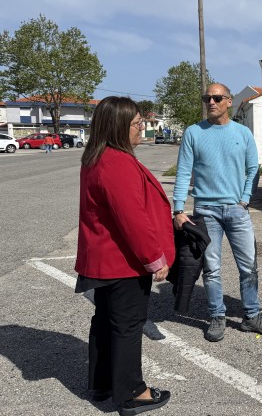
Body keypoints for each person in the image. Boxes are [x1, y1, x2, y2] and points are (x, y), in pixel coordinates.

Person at [74, 96, 174, 415]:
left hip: (104, 260)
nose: (141, 127)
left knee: (106, 322)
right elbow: (131, 218)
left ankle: (103, 383)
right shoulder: (116, 161)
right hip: (123, 262)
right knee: (127, 326)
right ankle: (132, 392)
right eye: (136, 123)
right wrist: (154, 258)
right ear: (119, 127)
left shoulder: (96, 157)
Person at [173, 82, 262, 342]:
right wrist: (177, 208)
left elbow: (253, 168)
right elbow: (184, 171)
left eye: (217, 98)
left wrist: (244, 199)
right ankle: (217, 316)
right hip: (205, 212)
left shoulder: (242, 133)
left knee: (249, 267)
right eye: (207, 97)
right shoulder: (193, 133)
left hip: (237, 211)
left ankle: (252, 316)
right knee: (212, 269)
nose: (211, 102)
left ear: (229, 101)